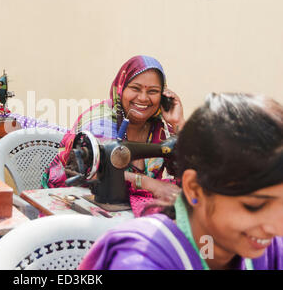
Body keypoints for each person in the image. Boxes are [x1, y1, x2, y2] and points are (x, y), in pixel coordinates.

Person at [79, 93, 283, 270]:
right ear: (194, 189)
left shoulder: (267, 249)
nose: (277, 227)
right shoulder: (138, 260)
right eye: (254, 206)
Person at [41, 55, 185, 217]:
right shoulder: (98, 121)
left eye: (153, 91)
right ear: (121, 88)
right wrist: (148, 183)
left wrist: (178, 123)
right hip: (69, 204)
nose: (143, 98)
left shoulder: (158, 126)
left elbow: (181, 168)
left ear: (162, 96)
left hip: (124, 210)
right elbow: (96, 171)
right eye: (135, 88)